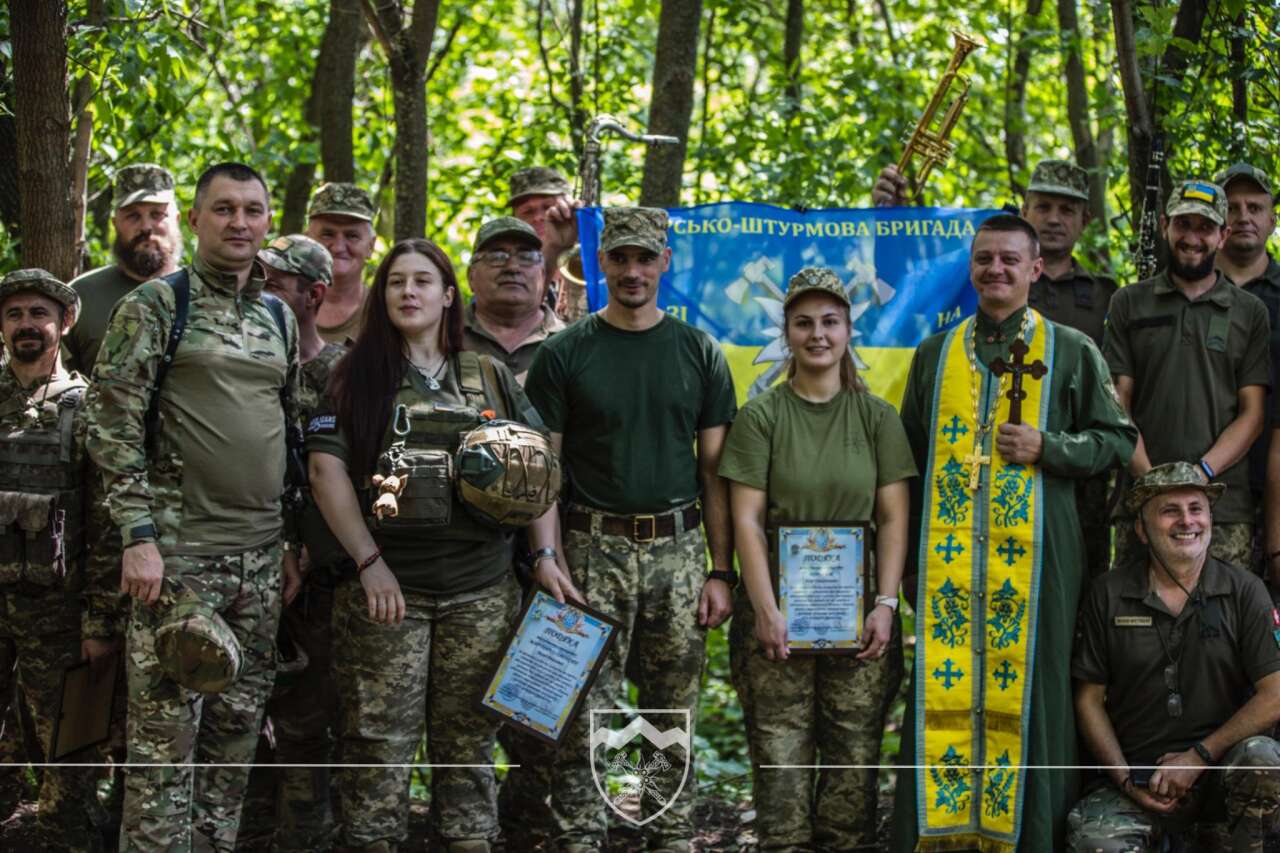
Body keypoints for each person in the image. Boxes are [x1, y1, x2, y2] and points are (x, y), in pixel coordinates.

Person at [890, 214, 1137, 851]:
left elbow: (1117, 440)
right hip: (947, 566)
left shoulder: (1070, 350)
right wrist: (908, 570)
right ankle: (942, 834)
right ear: (970, 269)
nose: (995, 271)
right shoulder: (935, 355)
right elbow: (908, 463)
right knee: (943, 693)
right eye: (984, 260)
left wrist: (1049, 446)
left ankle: (1026, 837)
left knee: (1036, 696)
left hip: (1039, 566)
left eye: (1009, 260)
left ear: (1034, 270)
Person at [306, 238, 558, 852]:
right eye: (396, 282)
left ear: (449, 296)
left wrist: (546, 557)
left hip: (480, 592)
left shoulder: (489, 375)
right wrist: (369, 564)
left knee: (468, 740)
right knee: (376, 743)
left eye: (423, 281)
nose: (409, 292)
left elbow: (539, 473)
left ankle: (469, 841)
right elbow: (324, 472)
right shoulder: (351, 375)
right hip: (388, 595)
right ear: (381, 295)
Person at [86, 161, 302, 851]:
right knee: (162, 756)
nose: (240, 222)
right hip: (178, 562)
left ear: (268, 220)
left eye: (253, 210)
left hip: (261, 563)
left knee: (229, 755)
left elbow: (287, 430)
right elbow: (111, 424)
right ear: (198, 219)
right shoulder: (156, 305)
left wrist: (291, 541)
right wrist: (137, 535)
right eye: (224, 209)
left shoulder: (278, 316)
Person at [524, 206, 738, 852]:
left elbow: (715, 473)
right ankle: (581, 836)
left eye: (646, 258)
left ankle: (667, 831)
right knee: (582, 709)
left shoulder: (698, 350)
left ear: (664, 263)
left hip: (677, 549)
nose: (633, 271)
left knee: (670, 708)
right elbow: (543, 469)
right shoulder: (566, 352)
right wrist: (546, 554)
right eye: (620, 258)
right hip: (589, 548)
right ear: (602, 263)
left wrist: (720, 569)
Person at [719, 266, 916, 849]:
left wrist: (885, 604)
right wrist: (764, 609)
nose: (818, 334)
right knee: (780, 754)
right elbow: (747, 520)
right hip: (778, 607)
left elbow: (893, 517)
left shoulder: (877, 417)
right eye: (803, 323)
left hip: (858, 614)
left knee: (854, 756)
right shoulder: (761, 416)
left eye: (830, 321)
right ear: (787, 333)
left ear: (849, 330)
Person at [1068, 462, 1280, 852]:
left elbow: (1276, 693)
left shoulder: (1245, 591)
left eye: (1196, 508)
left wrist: (1197, 758)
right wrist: (1126, 780)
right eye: (1170, 511)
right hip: (1137, 776)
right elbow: (1088, 700)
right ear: (1141, 531)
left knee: (1264, 758)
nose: (1187, 521)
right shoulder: (1109, 593)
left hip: (1219, 774)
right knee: (1096, 844)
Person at [232, 233, 345, 852]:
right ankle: (245, 836)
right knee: (237, 719)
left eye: (273, 283)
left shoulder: (342, 374)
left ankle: (306, 839)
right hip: (245, 562)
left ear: (314, 295)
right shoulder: (241, 364)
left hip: (324, 582)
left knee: (309, 726)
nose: (258, 290)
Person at [0, 269, 119, 851]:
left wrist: (100, 620)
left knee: (70, 734)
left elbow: (105, 523)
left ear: (64, 323)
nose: (27, 325)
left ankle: (65, 831)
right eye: (15, 314)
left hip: (59, 609)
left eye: (38, 314)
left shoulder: (88, 408)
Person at [1104, 179, 1271, 573]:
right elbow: (1116, 402)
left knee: (1221, 626)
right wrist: (1152, 481)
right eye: (1183, 225)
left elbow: (1253, 415)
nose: (1192, 238)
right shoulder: (1128, 302)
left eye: (1205, 227)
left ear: (1222, 235)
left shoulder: (1249, 312)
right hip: (1140, 502)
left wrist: (1200, 475)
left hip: (1223, 509)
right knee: (1134, 622)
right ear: (1165, 225)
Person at [1215, 163, 1279, 577]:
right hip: (1205, 485)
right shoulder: (1183, 287)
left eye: (1254, 207)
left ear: (1272, 219)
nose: (1243, 217)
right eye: (1232, 207)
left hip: (1271, 478)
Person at [65, 163, 182, 374]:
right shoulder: (81, 297)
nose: (146, 227)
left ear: (177, 220)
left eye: (157, 214)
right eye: (133, 216)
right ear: (114, 223)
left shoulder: (204, 293)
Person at [463, 216, 565, 383]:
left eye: (526, 257)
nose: (512, 267)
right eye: (496, 256)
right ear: (471, 276)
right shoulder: (441, 338)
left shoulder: (571, 343)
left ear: (542, 274)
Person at [508, 166, 583, 322]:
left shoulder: (599, 258)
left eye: (548, 207)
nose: (538, 217)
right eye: (528, 212)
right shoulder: (504, 266)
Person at [306, 182, 377, 345]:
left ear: (371, 246)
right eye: (327, 234)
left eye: (352, 236)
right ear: (308, 240)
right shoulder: (284, 306)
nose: (338, 248)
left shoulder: (385, 312)